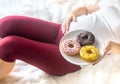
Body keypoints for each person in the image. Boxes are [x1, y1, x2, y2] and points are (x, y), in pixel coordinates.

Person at [0, 0, 120, 76]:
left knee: (9, 46)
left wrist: (113, 46)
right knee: (5, 24)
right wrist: (74, 13)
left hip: (69, 58)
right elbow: (87, 9)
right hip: (60, 31)